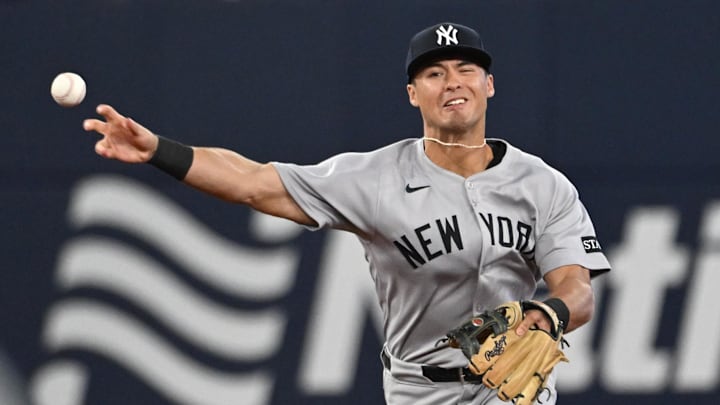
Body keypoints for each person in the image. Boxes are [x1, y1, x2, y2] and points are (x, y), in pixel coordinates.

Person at [83, 22, 611, 405]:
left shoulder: (542, 184)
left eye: (466, 69)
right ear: (412, 94)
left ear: (488, 85)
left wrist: (547, 315)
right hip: (420, 391)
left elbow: (576, 288)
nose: (452, 82)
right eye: (433, 74)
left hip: (516, 392)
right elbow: (252, 183)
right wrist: (158, 150)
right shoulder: (373, 177)